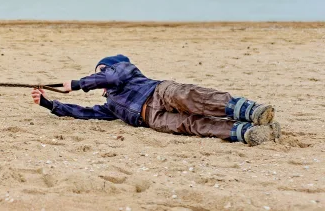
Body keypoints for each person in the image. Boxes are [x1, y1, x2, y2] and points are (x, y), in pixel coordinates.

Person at [31, 55, 281, 146]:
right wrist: (50, 104)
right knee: (193, 125)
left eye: (101, 72)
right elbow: (86, 112)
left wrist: (76, 84)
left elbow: (111, 76)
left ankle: (251, 111)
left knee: (194, 98)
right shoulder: (111, 105)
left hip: (159, 92)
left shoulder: (125, 71)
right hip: (151, 118)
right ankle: (246, 133)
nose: (99, 78)